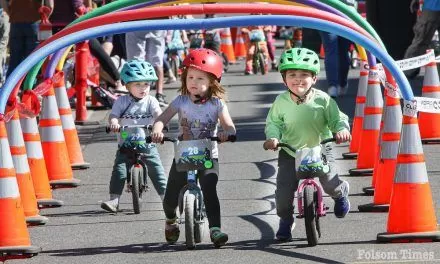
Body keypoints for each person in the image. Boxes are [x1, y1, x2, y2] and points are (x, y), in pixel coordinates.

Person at [150, 48, 236, 247]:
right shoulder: (181, 101)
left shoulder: (217, 104)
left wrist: (227, 133)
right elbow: (162, 119)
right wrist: (157, 130)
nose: (194, 83)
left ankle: (215, 229)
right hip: (184, 154)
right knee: (171, 196)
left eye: (200, 79)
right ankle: (171, 220)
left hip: (208, 155)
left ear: (213, 81)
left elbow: (229, 125)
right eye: (190, 77)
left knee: (209, 187)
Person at [263, 48, 351, 241]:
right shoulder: (280, 101)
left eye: (304, 75)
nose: (298, 79)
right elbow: (274, 123)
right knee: (284, 194)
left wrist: (341, 130)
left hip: (320, 147)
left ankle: (340, 192)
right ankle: (286, 220)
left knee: (329, 182)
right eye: (292, 74)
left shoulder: (323, 100)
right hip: (290, 151)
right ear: (283, 79)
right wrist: (273, 138)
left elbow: (337, 119)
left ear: (314, 78)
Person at [101, 59, 167, 213]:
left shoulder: (151, 100)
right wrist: (114, 123)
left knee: (156, 169)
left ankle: (166, 198)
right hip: (126, 143)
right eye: (137, 84)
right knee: (119, 169)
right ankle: (114, 200)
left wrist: (160, 123)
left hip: (147, 144)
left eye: (146, 84)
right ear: (127, 85)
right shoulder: (122, 101)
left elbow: (158, 113)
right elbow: (114, 115)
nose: (143, 88)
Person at [1, 0, 53, 78]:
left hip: (16, 23)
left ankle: (11, 88)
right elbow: (50, 6)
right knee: (32, 60)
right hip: (34, 23)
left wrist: (12, 14)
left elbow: (3, 2)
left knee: (15, 60)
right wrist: (43, 18)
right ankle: (29, 87)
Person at [125, 18, 169, 107]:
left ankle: (136, 95)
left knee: (136, 61)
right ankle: (158, 94)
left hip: (136, 18)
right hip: (157, 17)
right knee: (156, 60)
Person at [319, 0, 357, 98]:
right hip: (331, 13)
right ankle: (334, 85)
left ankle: (339, 84)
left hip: (341, 13)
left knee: (340, 51)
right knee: (335, 51)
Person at [403, 0, 440, 79]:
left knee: (420, 42)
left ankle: (406, 74)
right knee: (420, 42)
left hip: (432, 7)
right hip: (432, 7)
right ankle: (405, 74)